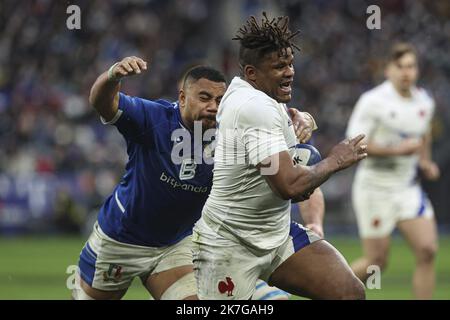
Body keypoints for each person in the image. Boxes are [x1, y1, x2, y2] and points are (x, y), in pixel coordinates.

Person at [72, 56, 317, 300]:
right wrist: (113, 75)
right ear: (182, 98)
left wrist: (302, 120)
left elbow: (292, 172)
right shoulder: (154, 118)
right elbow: (102, 102)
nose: (213, 106)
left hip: (177, 245)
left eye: (220, 100)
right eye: (204, 98)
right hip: (121, 239)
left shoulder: (233, 133)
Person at [192, 13, 367, 300]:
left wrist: (306, 120)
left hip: (276, 235)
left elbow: (288, 144)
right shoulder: (254, 106)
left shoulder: (251, 94)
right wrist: (337, 159)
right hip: (229, 243)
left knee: (349, 293)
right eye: (278, 67)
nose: (289, 72)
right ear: (252, 73)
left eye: (290, 64)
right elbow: (288, 185)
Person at [346, 43, 439, 299]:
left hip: (407, 188)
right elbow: (355, 143)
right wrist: (397, 151)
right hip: (375, 188)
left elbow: (424, 134)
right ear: (388, 70)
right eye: (400, 67)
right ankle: (330, 289)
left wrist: (425, 162)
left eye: (411, 66)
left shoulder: (424, 101)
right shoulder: (373, 101)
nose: (406, 72)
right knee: (376, 262)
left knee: (427, 250)